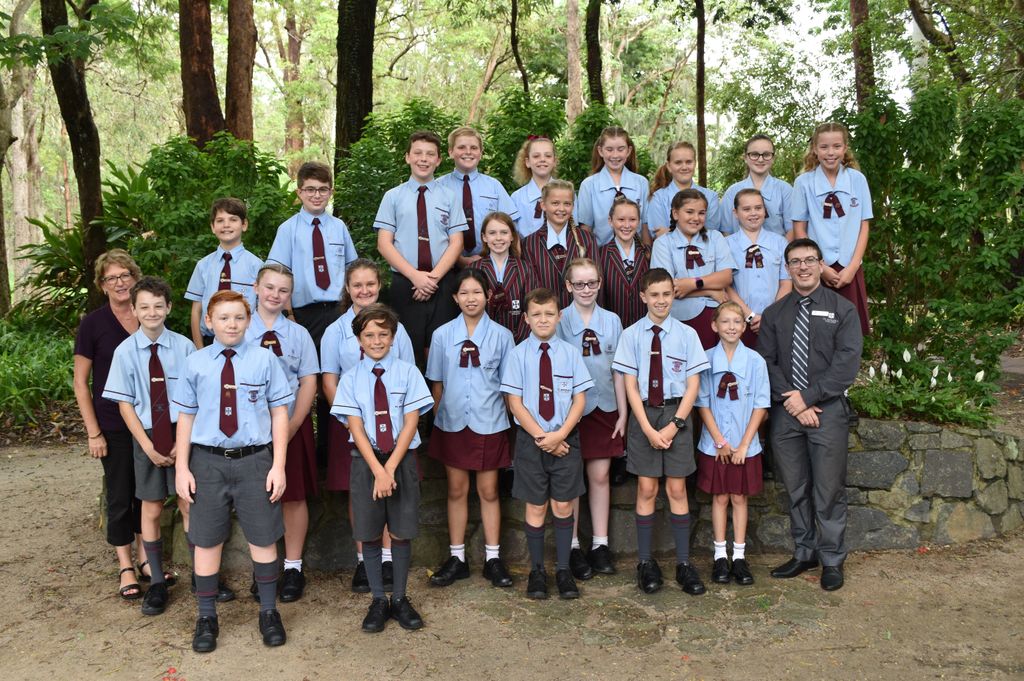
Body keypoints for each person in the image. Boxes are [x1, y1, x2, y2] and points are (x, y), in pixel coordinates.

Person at [174, 290, 294, 653]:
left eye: (239, 317)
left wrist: (278, 465)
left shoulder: (264, 359)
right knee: (206, 540)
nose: (231, 324)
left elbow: (279, 413)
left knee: (264, 537)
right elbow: (186, 417)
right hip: (207, 461)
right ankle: (206, 616)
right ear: (209, 321)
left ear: (249, 321)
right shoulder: (196, 363)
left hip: (255, 459)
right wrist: (182, 467)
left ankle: (269, 611)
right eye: (223, 318)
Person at [757, 238, 863, 592]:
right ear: (787, 268)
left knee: (829, 490)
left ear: (820, 265)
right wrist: (794, 401)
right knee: (796, 488)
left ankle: (832, 559)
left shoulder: (843, 310)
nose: (802, 267)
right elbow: (766, 362)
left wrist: (808, 397)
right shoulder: (774, 314)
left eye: (809, 260)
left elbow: (846, 365)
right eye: (795, 262)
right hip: (787, 413)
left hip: (827, 411)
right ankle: (805, 552)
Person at [331, 304, 434, 632]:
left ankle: (400, 598)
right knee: (370, 532)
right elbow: (356, 427)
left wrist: (389, 468)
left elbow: (411, 422)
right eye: (369, 335)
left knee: (401, 531)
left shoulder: (408, 373)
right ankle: (378, 599)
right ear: (359, 340)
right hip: (366, 463)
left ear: (393, 337)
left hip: (400, 460)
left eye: (383, 334)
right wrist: (378, 470)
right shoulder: (350, 379)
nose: (376, 341)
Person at [611, 268, 709, 596]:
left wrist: (674, 424)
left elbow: (693, 384)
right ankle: (645, 562)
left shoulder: (687, 334)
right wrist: (647, 428)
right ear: (643, 297)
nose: (661, 300)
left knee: (678, 490)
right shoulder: (631, 335)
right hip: (644, 415)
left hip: (677, 413)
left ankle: (683, 563)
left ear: (673, 295)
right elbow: (630, 385)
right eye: (654, 295)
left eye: (667, 294)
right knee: (647, 488)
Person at [320, 259, 415, 593]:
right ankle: (364, 560)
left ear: (379, 285)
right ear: (348, 289)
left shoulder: (396, 329)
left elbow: (408, 372)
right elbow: (329, 380)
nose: (364, 290)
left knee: (391, 486)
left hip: (391, 425)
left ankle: (388, 559)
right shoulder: (335, 331)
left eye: (370, 284)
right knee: (360, 491)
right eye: (357, 285)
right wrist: (350, 422)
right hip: (350, 423)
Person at [102, 276, 194, 615]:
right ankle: (156, 581)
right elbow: (125, 405)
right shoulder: (124, 352)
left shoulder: (185, 347)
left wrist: (182, 442)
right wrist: (148, 446)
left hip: (181, 432)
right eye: (144, 307)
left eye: (158, 306)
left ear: (168, 307)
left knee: (188, 503)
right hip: (146, 436)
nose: (152, 312)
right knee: (151, 508)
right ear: (134, 310)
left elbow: (195, 398)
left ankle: (202, 575)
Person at [500, 288, 594, 600]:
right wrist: (544, 438)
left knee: (563, 505)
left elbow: (579, 399)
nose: (543, 319)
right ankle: (537, 570)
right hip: (532, 442)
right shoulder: (517, 355)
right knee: (536, 506)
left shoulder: (570, 353)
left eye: (549, 314)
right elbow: (515, 403)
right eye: (537, 314)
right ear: (526, 318)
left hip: (565, 438)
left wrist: (560, 435)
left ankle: (564, 569)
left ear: (559, 316)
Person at [426, 269, 516, 588]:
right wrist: (441, 417)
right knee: (456, 489)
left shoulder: (502, 336)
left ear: (488, 296)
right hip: (452, 421)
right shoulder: (442, 336)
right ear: (455, 298)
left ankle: (493, 558)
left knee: (489, 490)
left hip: (489, 420)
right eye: (463, 293)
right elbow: (437, 383)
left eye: (477, 292)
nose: (470, 298)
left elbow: (508, 387)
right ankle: (457, 558)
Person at [73, 249, 146, 600]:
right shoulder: (93, 324)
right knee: (119, 495)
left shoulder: (148, 313)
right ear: (102, 285)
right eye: (111, 278)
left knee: (146, 493)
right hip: (112, 424)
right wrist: (93, 432)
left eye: (124, 275)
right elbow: (80, 382)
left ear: (135, 278)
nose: (119, 283)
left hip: (149, 421)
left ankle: (146, 558)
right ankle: (125, 565)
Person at [244, 264, 319, 603]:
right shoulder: (239, 328)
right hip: (249, 430)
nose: (275, 295)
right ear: (256, 287)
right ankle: (264, 568)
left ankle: (293, 567)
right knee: (255, 498)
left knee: (294, 496)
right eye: (270, 287)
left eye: (283, 290)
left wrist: (293, 425)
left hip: (290, 426)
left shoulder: (298, 334)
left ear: (290, 296)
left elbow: (308, 380)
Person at [556, 259, 626, 580]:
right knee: (571, 479)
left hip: (605, 407)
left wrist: (623, 412)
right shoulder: (559, 320)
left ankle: (600, 544)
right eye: (579, 284)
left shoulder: (612, 321)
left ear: (600, 284)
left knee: (599, 476)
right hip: (571, 411)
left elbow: (619, 370)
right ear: (568, 286)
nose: (586, 289)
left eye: (592, 283)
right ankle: (572, 546)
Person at [374, 130, 467, 367]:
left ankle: (440, 393)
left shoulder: (449, 197)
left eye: (430, 154)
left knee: (443, 351)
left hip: (442, 282)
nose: (423, 159)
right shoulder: (393, 197)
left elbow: (457, 242)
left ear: (439, 160)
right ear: (407, 157)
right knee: (407, 351)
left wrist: (432, 279)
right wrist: (415, 276)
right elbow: (384, 243)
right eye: (418, 153)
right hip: (405, 282)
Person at [695, 302, 769, 586]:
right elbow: (702, 403)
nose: (731, 327)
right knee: (720, 497)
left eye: (737, 322)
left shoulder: (755, 361)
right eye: (725, 321)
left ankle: (739, 556)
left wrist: (744, 445)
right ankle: (719, 557)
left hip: (744, 445)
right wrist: (719, 441)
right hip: (715, 444)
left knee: (739, 497)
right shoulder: (705, 360)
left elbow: (761, 405)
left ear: (744, 326)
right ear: (714, 326)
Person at [267, 161, 360, 349]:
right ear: (299, 192)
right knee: (308, 362)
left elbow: (353, 270)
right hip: (303, 313)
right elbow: (278, 276)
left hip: (339, 310)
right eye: (310, 189)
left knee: (341, 359)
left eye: (323, 189)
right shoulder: (288, 229)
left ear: (331, 192)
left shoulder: (339, 227)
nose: (316, 195)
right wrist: (288, 314)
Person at [791, 122, 872, 335]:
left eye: (836, 146)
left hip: (849, 268)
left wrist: (853, 266)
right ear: (815, 150)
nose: (830, 152)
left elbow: (864, 226)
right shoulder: (803, 183)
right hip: (816, 269)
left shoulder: (857, 180)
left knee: (849, 332)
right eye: (824, 147)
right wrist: (819, 266)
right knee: (818, 331)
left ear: (845, 148)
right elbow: (800, 230)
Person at [650, 188, 736, 349]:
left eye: (701, 213)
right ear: (675, 214)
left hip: (716, 317)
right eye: (689, 212)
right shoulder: (663, 243)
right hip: (679, 317)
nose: (696, 218)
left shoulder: (715, 238)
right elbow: (666, 288)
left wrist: (692, 284)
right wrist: (710, 291)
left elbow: (726, 277)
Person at [185, 198, 264, 348]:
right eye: (220, 220)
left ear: (244, 225)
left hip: (247, 342)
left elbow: (262, 310)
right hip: (209, 342)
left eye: (233, 219)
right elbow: (196, 311)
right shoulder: (203, 266)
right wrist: (199, 348)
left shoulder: (257, 266)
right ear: (212, 227)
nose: (226, 225)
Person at [437, 126, 518, 268]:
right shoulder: (438, 187)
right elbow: (434, 231)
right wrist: (458, 259)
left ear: (481, 153)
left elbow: (511, 227)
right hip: (447, 265)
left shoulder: (494, 186)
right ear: (450, 152)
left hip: (491, 262)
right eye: (461, 147)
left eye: (474, 148)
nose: (468, 152)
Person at [725, 189, 792, 348]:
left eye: (758, 208)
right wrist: (749, 316)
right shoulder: (726, 245)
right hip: (738, 321)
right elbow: (726, 286)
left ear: (764, 210)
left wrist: (769, 317)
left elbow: (786, 283)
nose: (753, 213)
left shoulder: (780, 243)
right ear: (735, 213)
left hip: (776, 321)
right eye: (746, 209)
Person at [521, 179, 597, 309]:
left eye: (567, 203)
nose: (561, 209)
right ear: (543, 205)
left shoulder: (586, 239)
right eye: (555, 203)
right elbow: (531, 289)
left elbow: (596, 282)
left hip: (582, 314)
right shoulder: (529, 244)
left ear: (573, 206)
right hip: (546, 316)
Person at [577, 126, 651, 245]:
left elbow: (645, 225)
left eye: (620, 149)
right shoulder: (589, 185)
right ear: (600, 151)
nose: (615, 155)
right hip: (600, 253)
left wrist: (647, 253)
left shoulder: (641, 183)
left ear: (628, 151)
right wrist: (589, 255)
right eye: (609, 149)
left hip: (636, 253)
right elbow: (586, 228)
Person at [471, 211, 536, 343]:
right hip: (483, 342)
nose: (498, 238)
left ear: (512, 236)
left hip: (519, 341)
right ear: (484, 237)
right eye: (492, 233)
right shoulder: (474, 269)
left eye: (504, 232)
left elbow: (532, 307)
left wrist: (516, 341)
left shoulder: (526, 268)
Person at [719, 135, 795, 238]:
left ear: (773, 158)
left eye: (766, 154)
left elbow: (791, 230)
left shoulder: (785, 190)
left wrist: (783, 248)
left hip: (780, 248)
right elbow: (726, 231)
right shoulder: (732, 192)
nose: (760, 159)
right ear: (745, 158)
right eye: (754, 154)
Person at [647, 142, 724, 237]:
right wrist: (696, 233)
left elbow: (710, 236)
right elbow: (661, 236)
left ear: (695, 163)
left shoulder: (711, 197)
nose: (684, 167)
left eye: (689, 162)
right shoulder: (658, 198)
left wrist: (671, 233)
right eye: (678, 162)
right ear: (669, 166)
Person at [598, 195, 651, 328]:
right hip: (612, 328)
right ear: (610, 221)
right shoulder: (600, 254)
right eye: (621, 219)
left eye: (632, 220)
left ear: (639, 222)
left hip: (643, 327)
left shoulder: (649, 253)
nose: (627, 225)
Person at [510, 135, 573, 238]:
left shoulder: (568, 193)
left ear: (554, 161)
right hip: (527, 248)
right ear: (527, 162)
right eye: (536, 156)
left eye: (548, 156)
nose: (542, 159)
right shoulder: (517, 198)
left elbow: (574, 228)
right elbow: (513, 234)